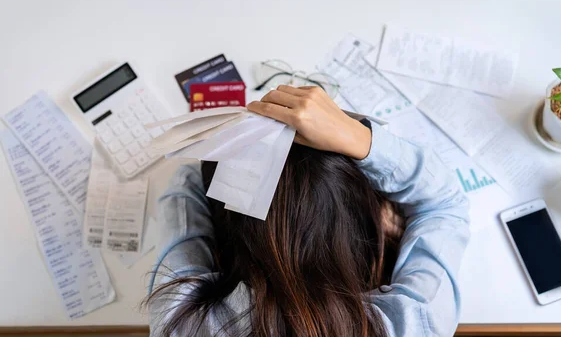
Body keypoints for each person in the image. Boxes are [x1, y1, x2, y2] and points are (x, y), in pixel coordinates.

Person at [146, 85, 470, 337]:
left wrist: (236, 146)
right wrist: (357, 138)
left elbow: (185, 185)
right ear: (355, 226)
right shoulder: (411, 324)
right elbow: (444, 202)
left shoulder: (182, 319)